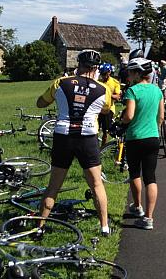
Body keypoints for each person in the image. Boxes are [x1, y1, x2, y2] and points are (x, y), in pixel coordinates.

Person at [36, 49, 112, 236]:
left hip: (63, 136)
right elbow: (105, 110)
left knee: (54, 185)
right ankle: (104, 226)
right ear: (96, 68)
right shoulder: (104, 89)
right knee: (96, 184)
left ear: (78, 65)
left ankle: (39, 227)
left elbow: (41, 103)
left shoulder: (60, 83)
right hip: (88, 138)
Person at [121, 57, 164, 230]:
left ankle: (137, 206)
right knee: (150, 177)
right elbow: (160, 117)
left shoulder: (132, 91)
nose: (129, 76)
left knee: (135, 173)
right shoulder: (157, 90)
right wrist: (155, 128)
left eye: (131, 73)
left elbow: (129, 116)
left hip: (135, 137)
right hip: (153, 137)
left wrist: (122, 122)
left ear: (138, 73)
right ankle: (149, 218)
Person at [97, 63, 122, 146]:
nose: (103, 76)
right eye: (101, 74)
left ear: (109, 72)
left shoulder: (115, 82)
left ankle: (102, 147)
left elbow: (117, 96)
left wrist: (108, 94)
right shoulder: (98, 81)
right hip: (98, 108)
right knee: (95, 129)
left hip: (108, 109)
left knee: (105, 130)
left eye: (104, 74)